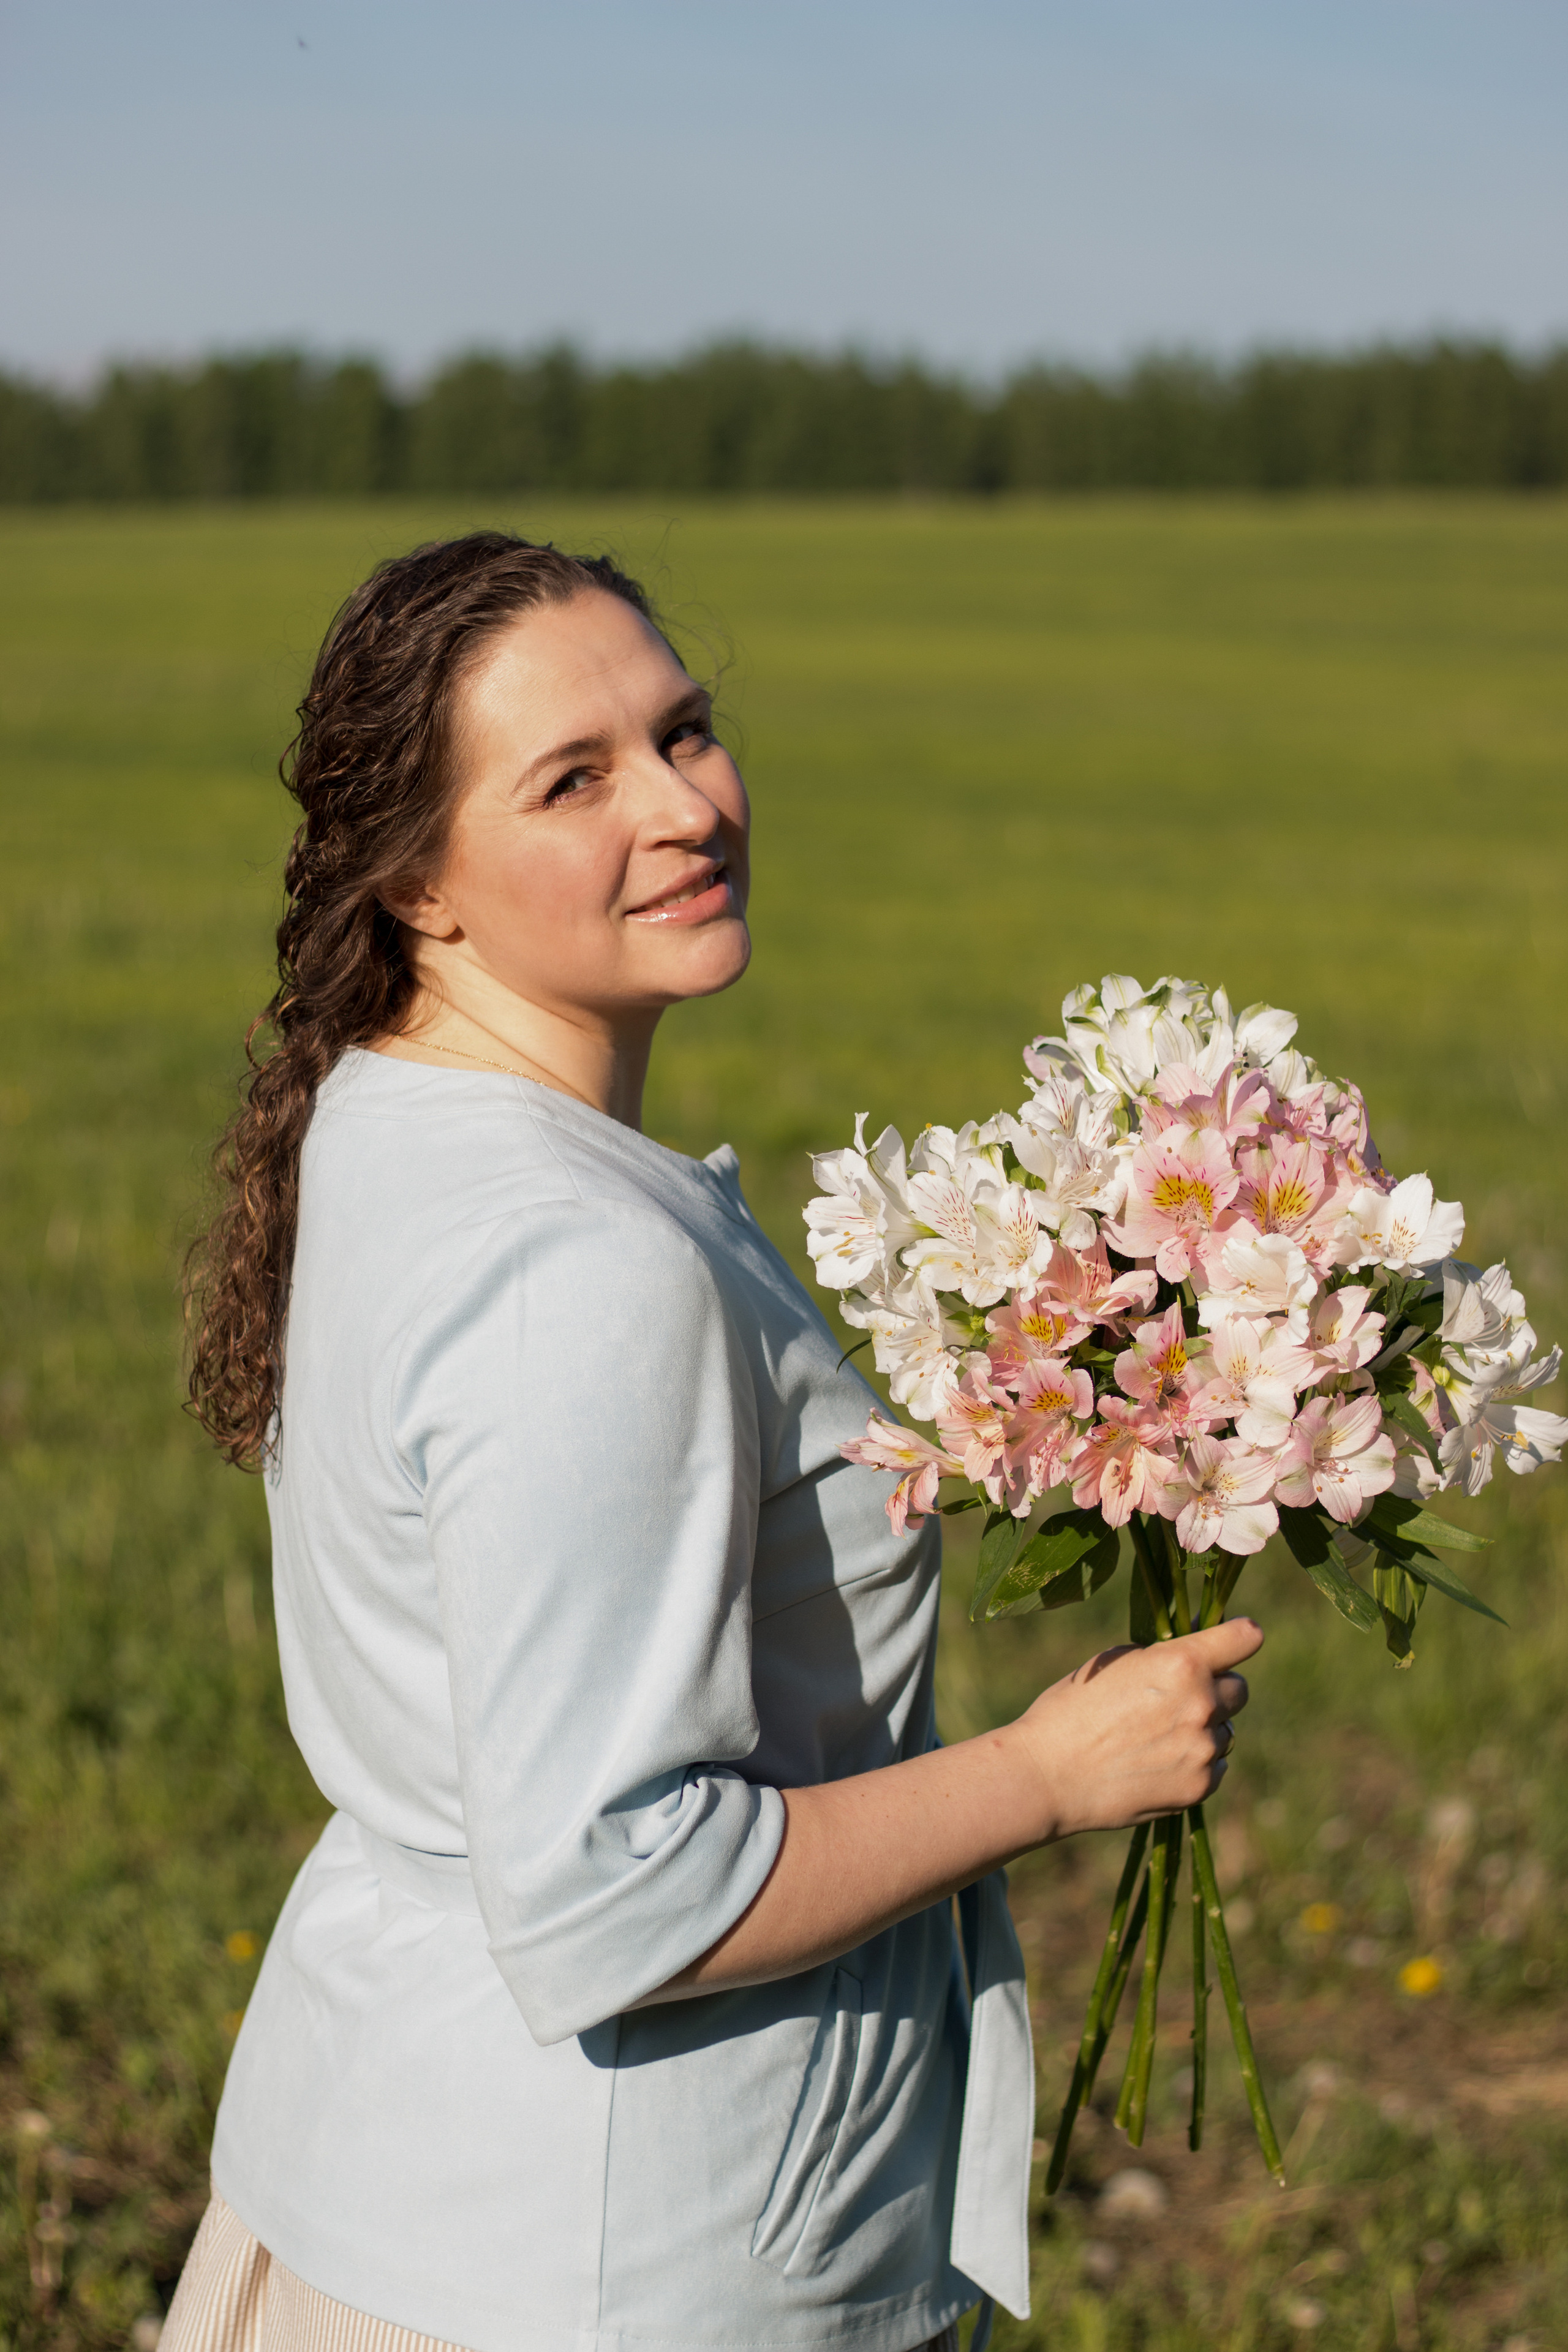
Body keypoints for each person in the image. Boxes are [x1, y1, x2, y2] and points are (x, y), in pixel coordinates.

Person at [167, 531, 1259, 2352]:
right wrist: (1053, 1773)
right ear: (419, 883)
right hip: (594, 2261)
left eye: (682, 731)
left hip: (405, 2175)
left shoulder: (392, 1117)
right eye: (573, 780)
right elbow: (619, 1892)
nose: (683, 806)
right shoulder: (581, 1266)